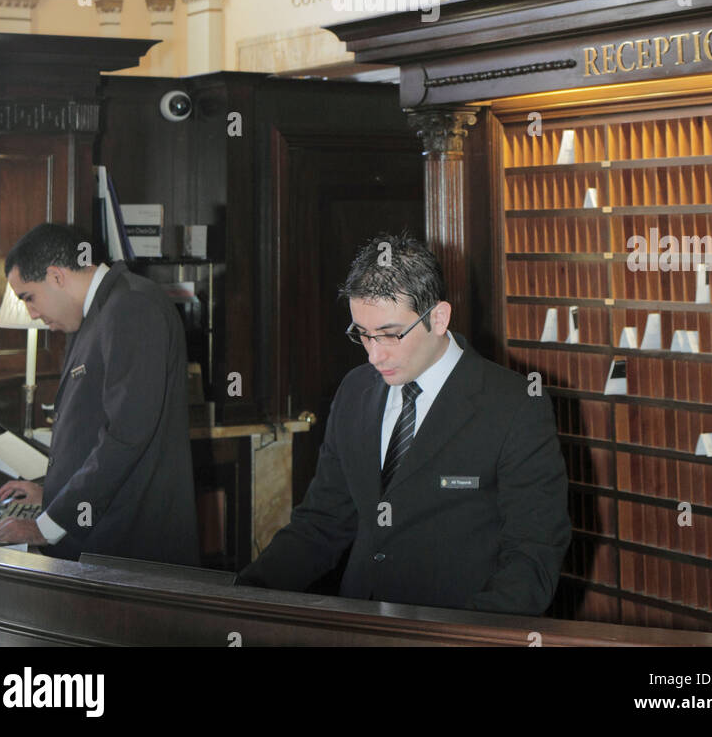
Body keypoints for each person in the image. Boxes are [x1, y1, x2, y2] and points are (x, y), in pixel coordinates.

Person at [236, 233, 570, 614]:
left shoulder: (514, 405)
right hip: (359, 631)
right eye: (363, 334)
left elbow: (533, 553)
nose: (375, 355)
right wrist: (246, 592)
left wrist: (468, 638)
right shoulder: (354, 391)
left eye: (391, 335)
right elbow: (323, 523)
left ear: (439, 318)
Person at [0, 222, 199, 566]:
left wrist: (46, 525)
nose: (33, 314)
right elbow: (93, 431)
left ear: (56, 276)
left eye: (29, 297)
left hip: (131, 551)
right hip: (106, 537)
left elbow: (126, 435)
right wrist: (52, 494)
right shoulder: (96, 312)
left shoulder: (131, 305)